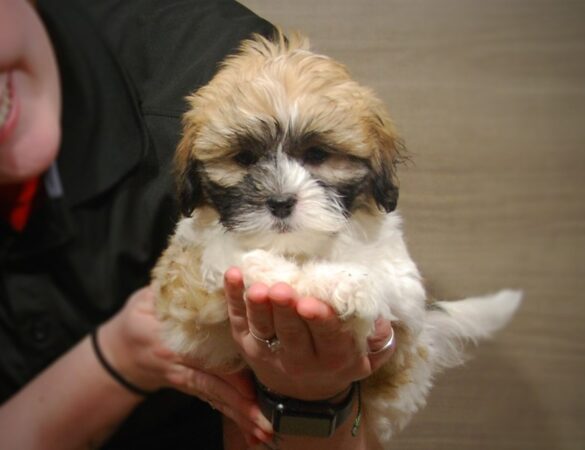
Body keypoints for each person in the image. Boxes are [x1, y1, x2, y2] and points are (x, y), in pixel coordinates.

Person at [0, 0, 396, 449]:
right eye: (245, 160)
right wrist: (117, 357)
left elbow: (358, 429)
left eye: (314, 157)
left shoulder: (237, 87)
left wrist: (310, 399)